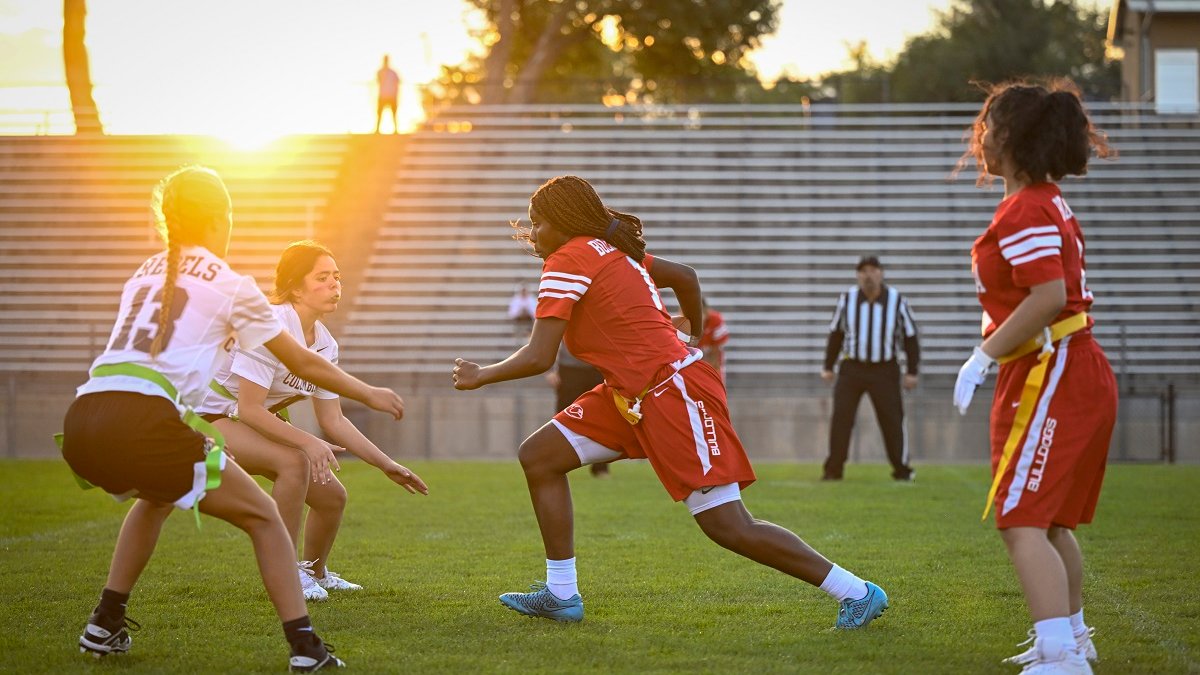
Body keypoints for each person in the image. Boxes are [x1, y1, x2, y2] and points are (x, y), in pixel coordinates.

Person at [452, 175, 889, 629]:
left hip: (671, 392)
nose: (533, 233)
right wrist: (690, 330)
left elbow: (541, 356)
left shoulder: (567, 258)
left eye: (538, 222)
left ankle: (855, 591)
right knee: (540, 456)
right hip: (635, 391)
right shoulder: (613, 249)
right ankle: (561, 594)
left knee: (728, 525)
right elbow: (686, 277)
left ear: (564, 222)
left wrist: (482, 375)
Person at [60, 166, 406, 671]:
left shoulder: (146, 271)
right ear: (222, 218)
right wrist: (369, 392)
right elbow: (302, 364)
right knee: (265, 518)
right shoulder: (231, 283)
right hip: (149, 419)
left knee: (156, 498)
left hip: (84, 418)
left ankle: (104, 621)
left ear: (166, 220)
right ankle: (308, 650)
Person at [953, 80, 1117, 674]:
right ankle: (1071, 637)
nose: (981, 137)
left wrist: (983, 354)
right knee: (1048, 522)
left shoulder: (1027, 207)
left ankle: (1060, 657)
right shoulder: (1038, 201)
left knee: (1021, 520)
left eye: (990, 127)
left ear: (1014, 137)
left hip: (1053, 366)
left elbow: (1047, 296)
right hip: (1064, 364)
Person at [195, 240, 428, 602]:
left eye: (337, 276)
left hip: (246, 418)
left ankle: (314, 573)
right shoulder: (271, 323)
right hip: (208, 418)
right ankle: (286, 573)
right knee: (294, 461)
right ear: (294, 287)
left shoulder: (325, 343)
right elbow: (250, 408)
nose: (335, 284)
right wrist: (306, 441)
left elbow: (333, 420)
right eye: (322, 277)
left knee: (332, 496)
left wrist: (386, 464)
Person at [820, 256, 919, 481]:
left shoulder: (896, 300)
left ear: (881, 273)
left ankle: (902, 470)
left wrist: (912, 371)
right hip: (852, 367)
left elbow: (910, 337)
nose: (868, 275)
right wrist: (828, 366)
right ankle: (833, 470)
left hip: (885, 369)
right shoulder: (847, 299)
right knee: (841, 419)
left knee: (892, 420)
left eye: (873, 270)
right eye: (863, 271)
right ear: (858, 275)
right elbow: (836, 334)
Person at [545, 341, 609, 477]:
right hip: (569, 368)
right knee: (563, 417)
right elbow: (551, 337)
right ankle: (559, 463)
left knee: (602, 417)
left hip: (598, 366)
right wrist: (551, 369)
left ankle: (601, 467)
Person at [697, 297, 729, 382]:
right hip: (695, 358)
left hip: (712, 357)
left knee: (717, 382)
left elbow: (717, 349)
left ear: (706, 311)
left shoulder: (716, 320)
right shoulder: (683, 322)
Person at [375, 55, 401, 134]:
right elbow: (378, 81)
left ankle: (395, 130)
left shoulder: (393, 73)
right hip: (382, 95)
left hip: (392, 96)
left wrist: (396, 95)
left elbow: (398, 83)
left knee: (394, 114)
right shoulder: (380, 71)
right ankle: (377, 130)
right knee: (379, 114)